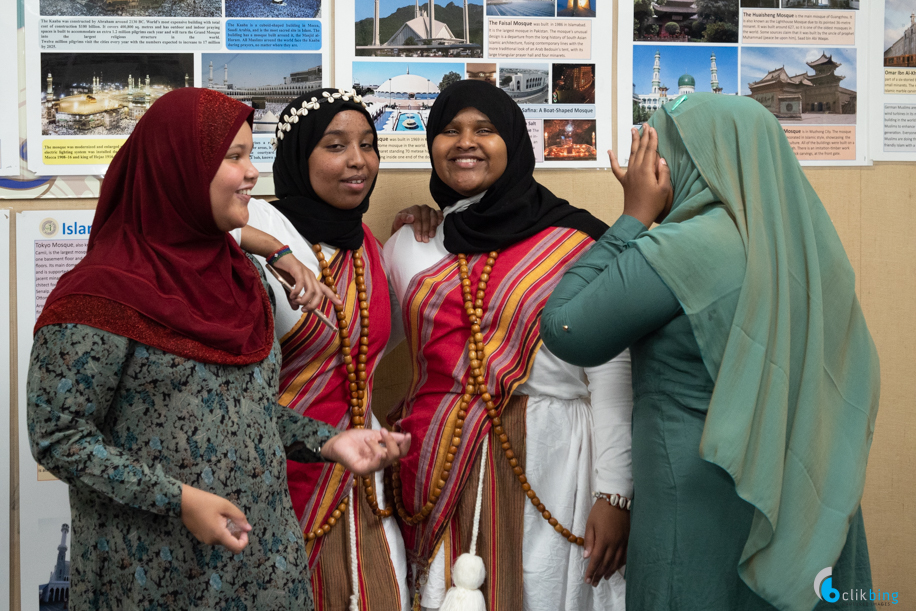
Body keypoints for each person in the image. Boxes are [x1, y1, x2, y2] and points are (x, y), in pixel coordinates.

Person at [26, 87, 409, 611]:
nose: (252, 173)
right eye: (233, 157)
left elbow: (239, 412)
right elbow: (59, 438)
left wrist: (327, 442)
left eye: (251, 155)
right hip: (153, 573)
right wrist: (178, 500)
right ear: (177, 169)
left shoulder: (243, 275)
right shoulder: (96, 294)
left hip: (263, 566)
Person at [540, 93, 879, 611]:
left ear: (693, 160)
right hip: (786, 490)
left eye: (658, 149)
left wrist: (631, 218)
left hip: (693, 503)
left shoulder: (685, 247)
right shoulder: (803, 249)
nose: (648, 165)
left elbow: (567, 329)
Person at [383, 79, 632, 611]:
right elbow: (363, 350)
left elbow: (612, 379)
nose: (465, 142)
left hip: (553, 463)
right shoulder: (412, 243)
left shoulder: (577, 243)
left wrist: (615, 495)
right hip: (440, 462)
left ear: (515, 142)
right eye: (450, 129)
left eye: (485, 130)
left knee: (542, 591)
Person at [228, 87, 437, 611]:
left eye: (368, 144)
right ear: (299, 155)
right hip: (278, 482)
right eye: (335, 145)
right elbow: (180, 226)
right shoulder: (261, 229)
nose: (357, 160)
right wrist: (266, 246)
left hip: (363, 484)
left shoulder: (365, 242)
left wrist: (426, 226)